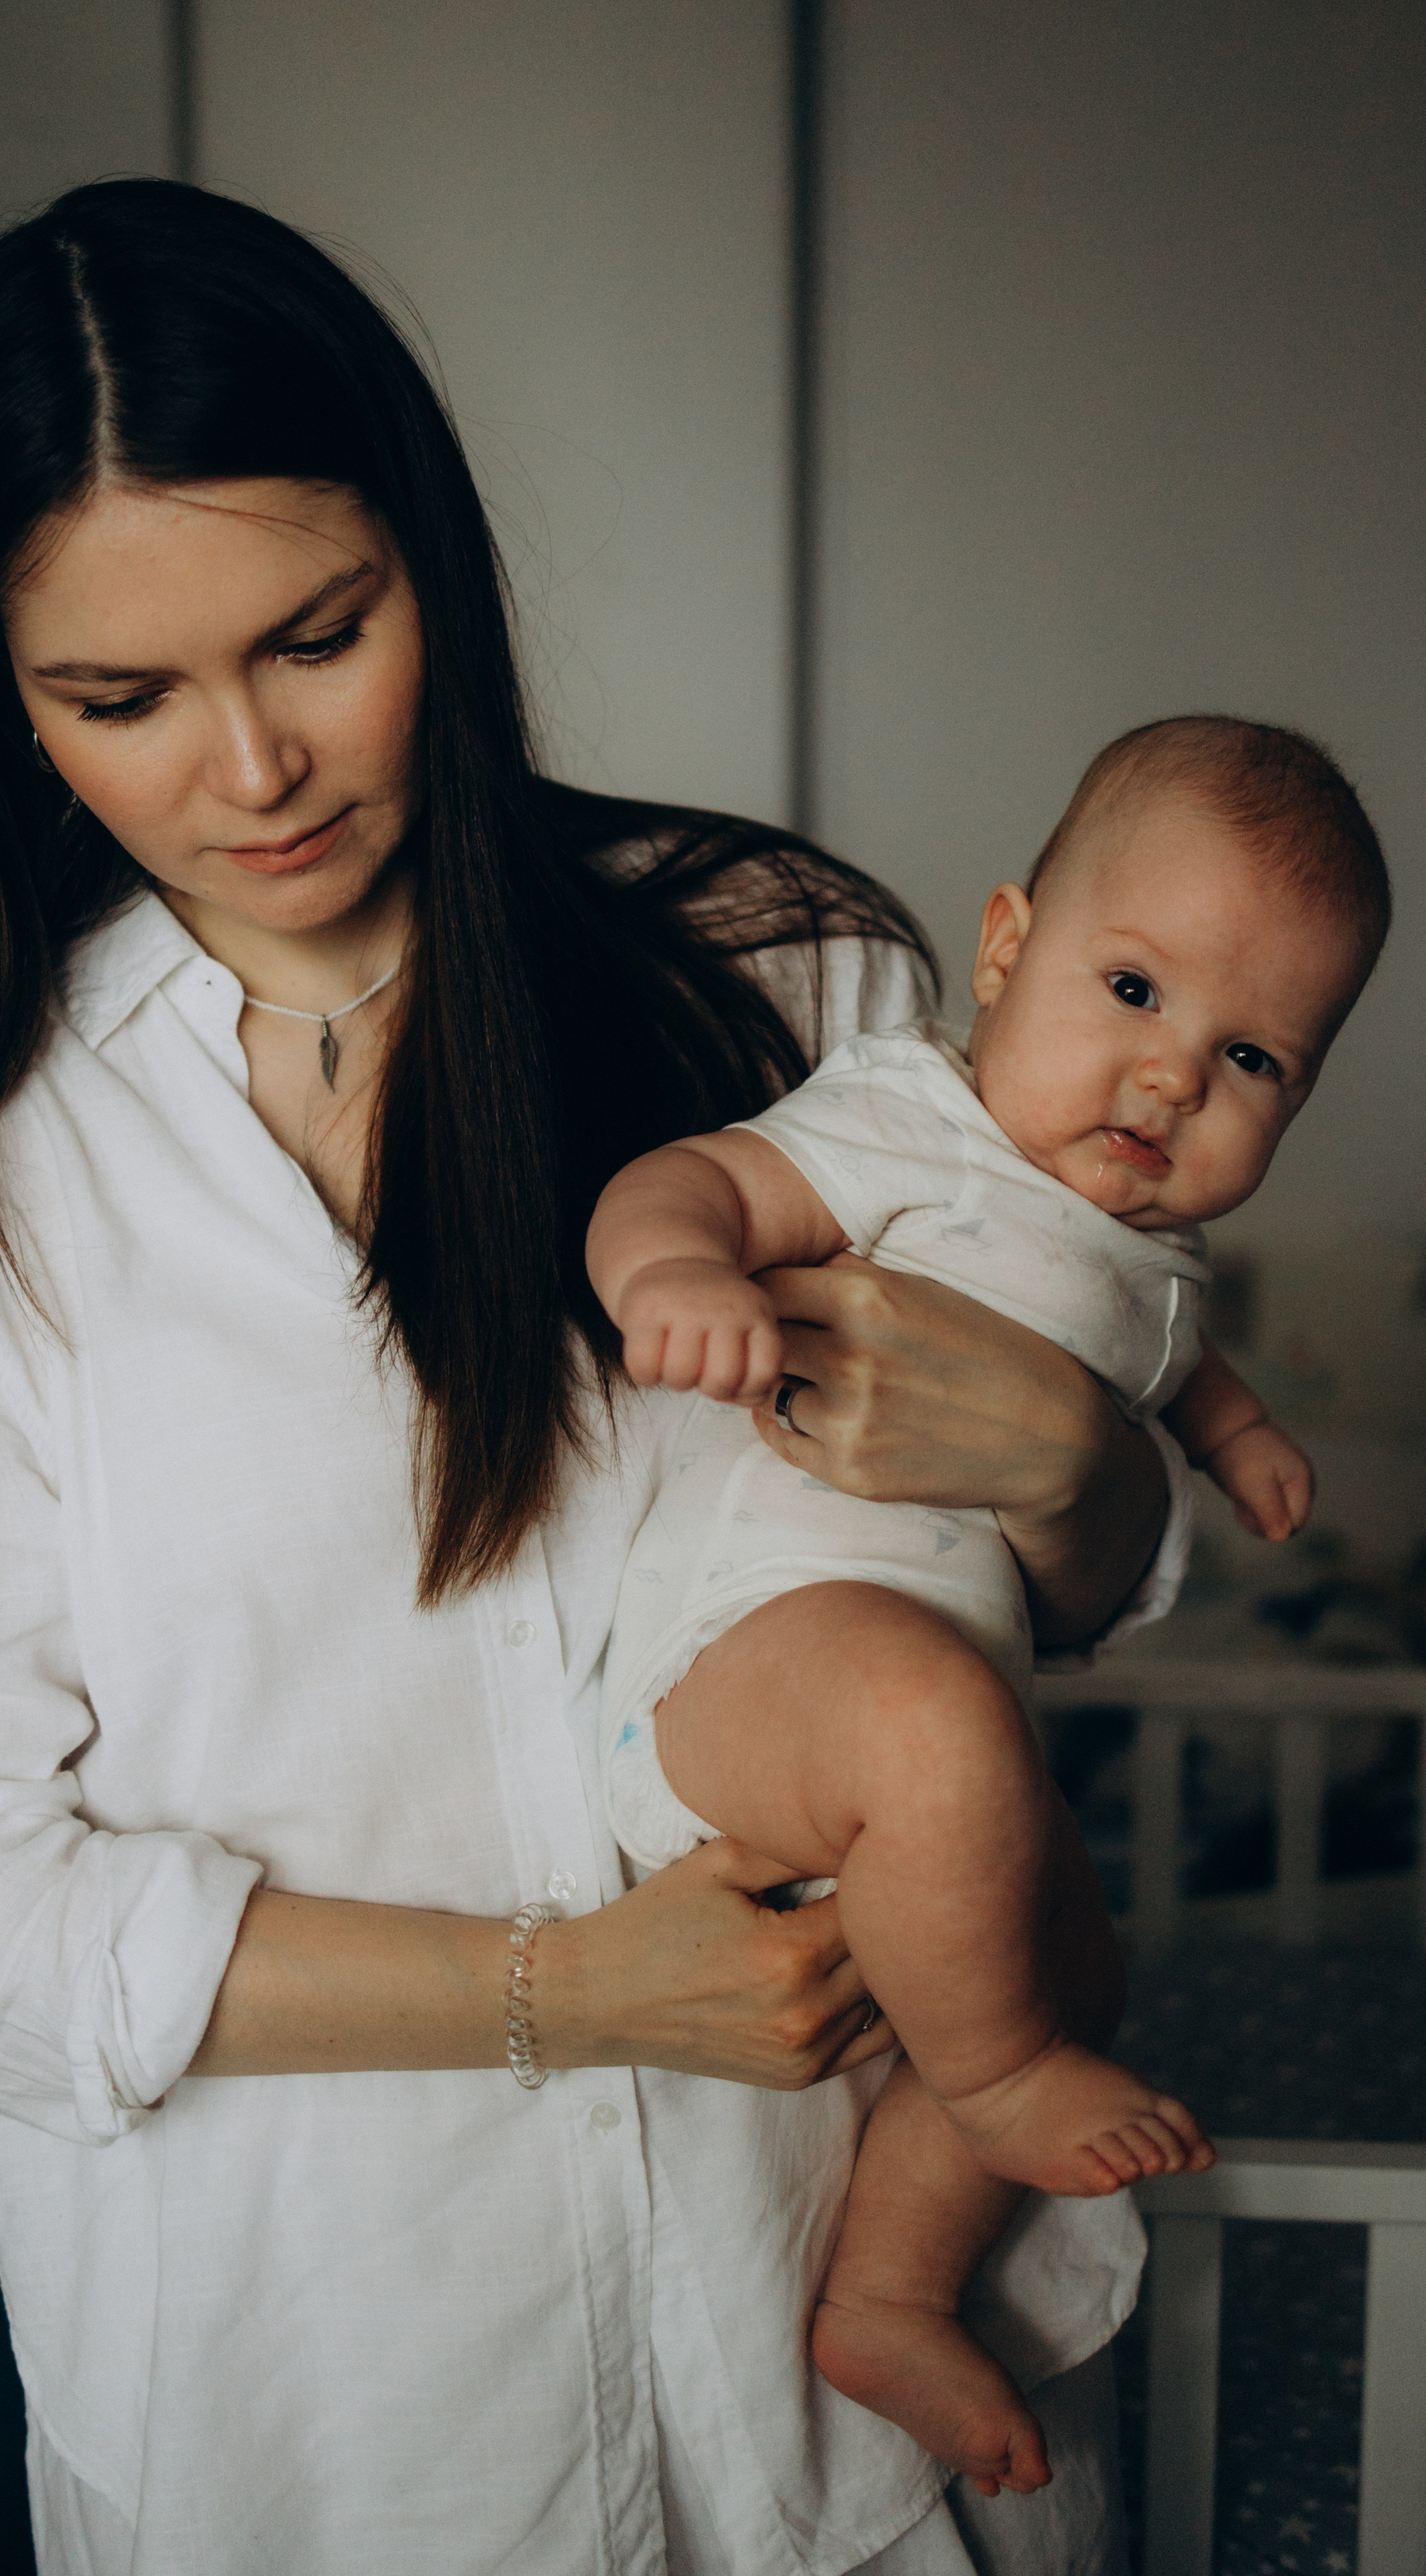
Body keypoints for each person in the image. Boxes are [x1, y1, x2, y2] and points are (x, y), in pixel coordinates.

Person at [0, 179, 1195, 2576]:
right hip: (335, 2420)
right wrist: (572, 1990)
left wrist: (1085, 1461)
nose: (254, 768)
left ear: (434, 563)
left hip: (850, 2383)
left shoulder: (784, 983)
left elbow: (1055, 1590)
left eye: (320, 634)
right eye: (121, 698)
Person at [587, 716, 1387, 2497]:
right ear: (1008, 947)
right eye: (1132, 987)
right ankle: (1003, 2066)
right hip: (743, 1666)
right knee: (948, 1751)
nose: (1174, 1079)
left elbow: (1178, 1369)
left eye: (1252, 1055)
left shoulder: (1157, 1264)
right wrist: (678, 1268)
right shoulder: (908, 1117)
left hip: (915, 1724)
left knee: (1072, 1947)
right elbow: (698, 1178)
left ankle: (890, 2285)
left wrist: (1244, 1444)